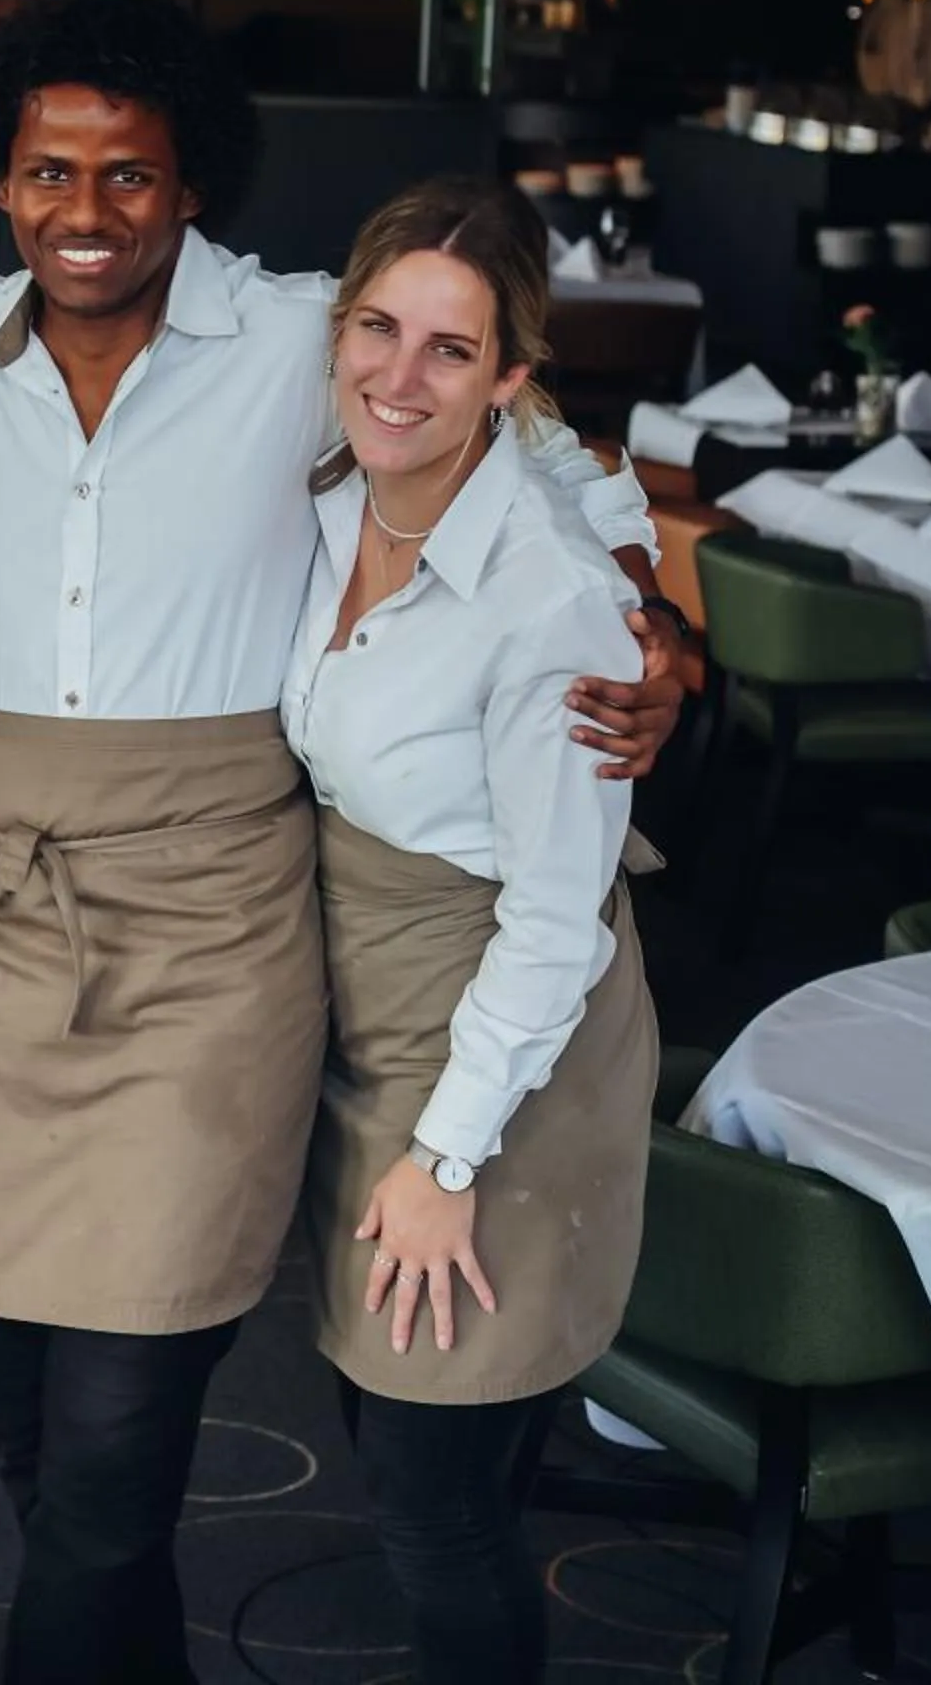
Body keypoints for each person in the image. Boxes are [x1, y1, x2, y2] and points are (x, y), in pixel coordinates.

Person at [0, 0, 687, 1685]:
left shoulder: (300, 336)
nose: (86, 210)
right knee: (32, 1445)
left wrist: (655, 623)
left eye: (131, 173)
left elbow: (552, 461)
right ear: (0, 179)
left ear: (193, 184)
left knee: (110, 1462)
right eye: (49, 171)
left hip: (212, 934)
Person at [286, 177, 658, 1684]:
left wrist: (447, 1161)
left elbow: (559, 925)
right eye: (378, 328)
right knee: (398, 1430)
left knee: (435, 1490)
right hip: (370, 1022)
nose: (400, 375)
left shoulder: (548, 600)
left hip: (508, 1052)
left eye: (451, 349)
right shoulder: (327, 500)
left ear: (509, 376)